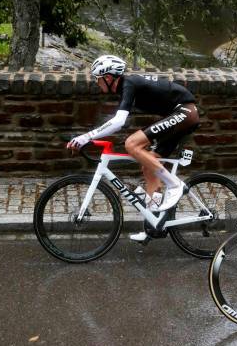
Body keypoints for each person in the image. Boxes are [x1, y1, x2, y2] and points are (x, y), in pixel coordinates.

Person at [67, 55, 200, 241]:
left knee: (132, 143)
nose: (97, 83)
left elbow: (118, 122)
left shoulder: (128, 83)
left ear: (109, 77)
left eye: (98, 79)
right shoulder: (126, 87)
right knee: (148, 165)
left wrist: (86, 137)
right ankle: (155, 224)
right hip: (178, 114)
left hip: (185, 112)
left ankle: (174, 184)